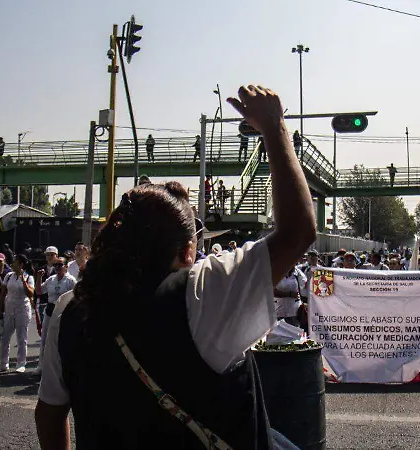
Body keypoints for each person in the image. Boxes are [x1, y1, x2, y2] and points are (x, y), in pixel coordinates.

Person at [35, 85, 315, 449]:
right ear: (186, 253)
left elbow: (50, 412)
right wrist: (275, 126)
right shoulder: (202, 293)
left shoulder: (70, 308)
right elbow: (297, 231)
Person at [34, 257, 76, 376]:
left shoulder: (71, 280)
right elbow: (39, 291)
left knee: (60, 340)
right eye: (56, 265)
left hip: (63, 312)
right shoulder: (51, 279)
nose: (58, 267)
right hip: (50, 311)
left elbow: (76, 296)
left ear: (66, 266)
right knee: (45, 339)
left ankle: (60, 367)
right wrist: (38, 278)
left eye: (60, 265)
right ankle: (41, 366)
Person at [0, 254, 35, 373]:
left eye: (15, 262)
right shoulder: (8, 276)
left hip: (22, 308)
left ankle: (21, 363)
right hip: (9, 308)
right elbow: (3, 293)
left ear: (21, 265)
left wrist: (23, 279)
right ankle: (3, 363)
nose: (12, 264)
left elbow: (30, 294)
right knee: (5, 337)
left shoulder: (29, 277)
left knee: (21, 337)